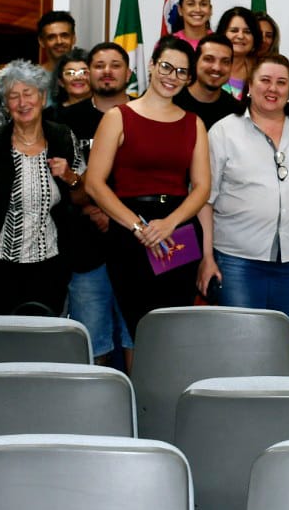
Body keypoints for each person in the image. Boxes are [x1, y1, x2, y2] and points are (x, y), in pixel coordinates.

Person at [82, 37, 212, 333]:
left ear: (189, 78)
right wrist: (139, 227)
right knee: (139, 325)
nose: (172, 76)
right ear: (152, 65)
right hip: (130, 231)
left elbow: (202, 188)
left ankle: (168, 380)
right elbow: (94, 184)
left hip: (177, 230)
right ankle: (141, 381)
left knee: (172, 325)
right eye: (166, 66)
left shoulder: (194, 123)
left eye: (182, 72)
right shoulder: (119, 117)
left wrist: (169, 224)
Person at [201, 54, 289, 334]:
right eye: (265, 80)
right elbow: (205, 199)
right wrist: (207, 257)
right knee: (242, 338)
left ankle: (281, 380)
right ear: (249, 86)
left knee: (285, 334)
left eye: (281, 82)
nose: (273, 89)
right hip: (238, 257)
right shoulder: (223, 132)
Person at [0, 60, 83, 315]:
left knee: (42, 342)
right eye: (14, 96)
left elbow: (84, 198)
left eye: (28, 93)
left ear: (43, 96)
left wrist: (70, 177)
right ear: (5, 104)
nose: (22, 102)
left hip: (50, 265)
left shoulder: (63, 137)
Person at [55, 42, 135, 365]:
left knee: (139, 335)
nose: (107, 72)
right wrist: (92, 208)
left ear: (129, 73)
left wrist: (115, 215)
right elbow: (58, 177)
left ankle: (142, 412)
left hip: (136, 242)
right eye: (99, 65)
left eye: (115, 65)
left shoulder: (144, 114)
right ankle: (93, 413)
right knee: (92, 340)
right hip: (85, 245)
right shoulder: (65, 119)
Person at [173, 36, 243, 132]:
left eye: (225, 62)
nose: (217, 67)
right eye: (209, 59)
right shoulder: (172, 100)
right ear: (195, 62)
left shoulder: (236, 112)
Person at [215, 6, 259, 98]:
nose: (240, 36)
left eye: (247, 32)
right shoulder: (208, 67)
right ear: (222, 33)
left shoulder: (259, 72)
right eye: (234, 30)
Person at [49, 48, 93, 113]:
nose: (78, 77)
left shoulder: (106, 111)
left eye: (84, 72)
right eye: (70, 73)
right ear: (61, 82)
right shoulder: (49, 115)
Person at [36, 11, 77, 75]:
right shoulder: (32, 79)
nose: (59, 42)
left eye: (64, 36)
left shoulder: (87, 76)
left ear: (74, 38)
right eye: (52, 37)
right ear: (41, 41)